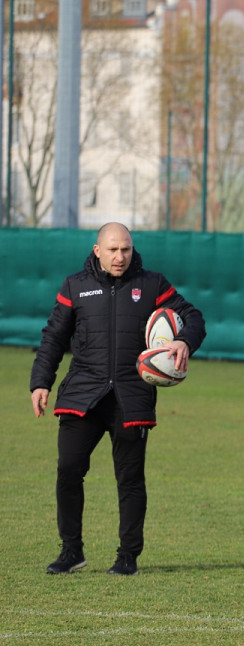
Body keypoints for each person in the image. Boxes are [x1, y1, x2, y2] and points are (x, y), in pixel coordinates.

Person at [30, 222, 206, 576]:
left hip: (131, 394)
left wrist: (185, 340)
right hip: (84, 393)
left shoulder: (152, 284)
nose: (120, 257)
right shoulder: (74, 286)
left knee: (129, 479)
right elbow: (53, 337)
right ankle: (71, 551)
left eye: (125, 249)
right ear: (98, 250)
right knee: (68, 469)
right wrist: (40, 382)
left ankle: (127, 556)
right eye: (112, 250)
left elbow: (194, 316)